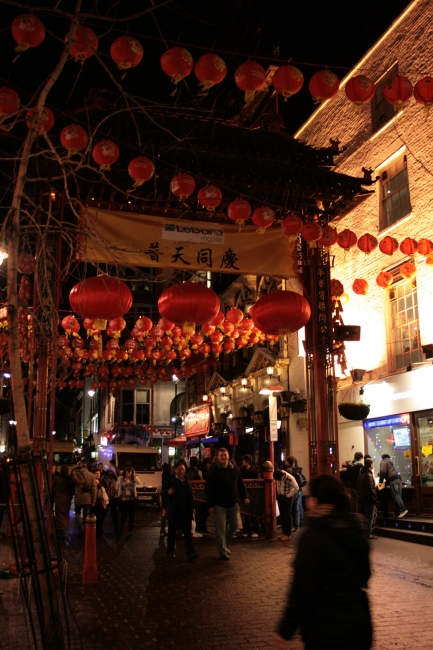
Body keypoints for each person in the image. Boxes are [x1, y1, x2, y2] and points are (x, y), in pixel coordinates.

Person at [274, 475, 372, 650]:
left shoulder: (313, 536)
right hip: (358, 625)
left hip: (324, 630)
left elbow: (302, 589)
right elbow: (365, 574)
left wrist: (286, 629)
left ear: (315, 501)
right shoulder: (355, 529)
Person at [205, 447, 250, 560]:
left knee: (234, 525)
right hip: (219, 504)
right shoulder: (213, 470)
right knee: (220, 529)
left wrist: (244, 496)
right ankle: (222, 552)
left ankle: (223, 544)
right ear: (218, 457)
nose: (223, 457)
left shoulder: (235, 469)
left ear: (228, 456)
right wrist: (210, 504)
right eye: (221, 455)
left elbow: (240, 484)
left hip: (233, 504)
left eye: (225, 455)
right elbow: (208, 488)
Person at [162, 461, 198, 561]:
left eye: (183, 469)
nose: (181, 471)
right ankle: (170, 551)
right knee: (172, 532)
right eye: (179, 469)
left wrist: (193, 507)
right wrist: (168, 492)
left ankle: (190, 552)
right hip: (175, 510)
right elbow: (163, 491)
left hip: (186, 510)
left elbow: (190, 495)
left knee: (187, 532)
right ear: (175, 470)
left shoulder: (186, 480)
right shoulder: (170, 480)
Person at [71, 460, 97, 533]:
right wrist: (93, 499)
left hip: (78, 497)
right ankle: (85, 530)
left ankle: (81, 526)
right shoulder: (91, 475)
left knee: (77, 513)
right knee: (86, 515)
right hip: (87, 498)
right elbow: (93, 489)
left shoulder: (75, 474)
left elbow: (73, 485)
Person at [379, 454, 408, 518]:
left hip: (393, 480)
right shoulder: (390, 463)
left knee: (396, 496)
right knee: (398, 496)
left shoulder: (383, 462)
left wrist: (380, 481)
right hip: (398, 479)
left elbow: (383, 471)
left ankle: (403, 509)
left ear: (382, 458)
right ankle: (397, 513)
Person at [273, 469, 299, 541]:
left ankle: (288, 534)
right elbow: (278, 484)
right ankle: (284, 532)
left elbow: (296, 488)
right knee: (282, 515)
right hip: (281, 496)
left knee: (287, 515)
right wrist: (278, 494)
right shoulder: (279, 476)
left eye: (279, 479)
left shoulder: (290, 478)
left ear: (283, 475)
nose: (279, 480)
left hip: (288, 497)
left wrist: (288, 495)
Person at [240, 454, 261, 538]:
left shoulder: (254, 470)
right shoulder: (242, 470)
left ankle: (257, 530)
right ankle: (247, 531)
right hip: (245, 493)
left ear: (247, 462)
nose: (242, 462)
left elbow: (257, 481)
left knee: (253, 513)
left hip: (253, 493)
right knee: (245, 512)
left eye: (243, 461)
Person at [357, 458, 378, 539]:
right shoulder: (368, 475)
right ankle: (369, 533)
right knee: (371, 516)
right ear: (370, 465)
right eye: (372, 463)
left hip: (364, 499)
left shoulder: (361, 474)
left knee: (369, 515)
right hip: (369, 499)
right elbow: (371, 488)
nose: (373, 465)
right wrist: (375, 498)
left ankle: (367, 532)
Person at [52, 466, 74, 540]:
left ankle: (60, 530)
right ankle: (64, 529)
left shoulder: (57, 479)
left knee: (59, 514)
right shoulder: (69, 480)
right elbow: (72, 490)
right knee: (65, 514)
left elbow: (52, 487)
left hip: (58, 498)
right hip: (67, 499)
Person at [285, 456, 306, 532]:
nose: (285, 462)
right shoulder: (297, 471)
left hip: (292, 491)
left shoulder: (288, 471)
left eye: (286, 461)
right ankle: (298, 524)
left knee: (293, 508)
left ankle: (296, 524)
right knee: (296, 508)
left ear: (289, 462)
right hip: (297, 491)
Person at [101, 469, 120, 535]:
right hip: (106, 499)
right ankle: (99, 529)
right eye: (109, 474)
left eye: (112, 474)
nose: (110, 475)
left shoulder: (116, 480)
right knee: (103, 514)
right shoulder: (104, 479)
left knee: (114, 515)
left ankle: (117, 530)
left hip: (114, 498)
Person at [92, 469, 109, 536]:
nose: (98, 475)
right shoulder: (93, 482)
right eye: (96, 473)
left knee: (101, 515)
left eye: (99, 473)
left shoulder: (101, 481)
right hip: (96, 501)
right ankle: (98, 530)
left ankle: (99, 529)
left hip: (101, 501)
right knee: (98, 516)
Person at [159, 463, 172, 537]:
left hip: (164, 496)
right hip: (168, 496)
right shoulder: (169, 477)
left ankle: (162, 528)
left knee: (164, 512)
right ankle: (163, 529)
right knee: (167, 512)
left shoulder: (163, 475)